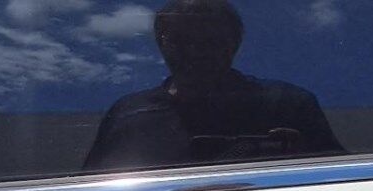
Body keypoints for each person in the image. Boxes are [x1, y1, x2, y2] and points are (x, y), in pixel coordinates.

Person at [83, 0, 344, 172]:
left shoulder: (288, 105)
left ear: (233, 45)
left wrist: (301, 158)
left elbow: (339, 183)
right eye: (180, 40)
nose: (195, 52)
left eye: (210, 40)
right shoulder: (129, 116)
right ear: (162, 45)